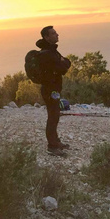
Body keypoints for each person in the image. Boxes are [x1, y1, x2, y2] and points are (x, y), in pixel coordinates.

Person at [36, 26, 72, 155]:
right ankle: (52, 146)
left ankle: (55, 141)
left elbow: (67, 62)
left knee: (55, 115)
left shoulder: (52, 51)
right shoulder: (47, 54)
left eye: (56, 32)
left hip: (54, 89)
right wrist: (62, 62)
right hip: (50, 90)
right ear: (46, 37)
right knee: (53, 116)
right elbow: (63, 68)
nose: (57, 34)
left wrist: (62, 62)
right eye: (53, 33)